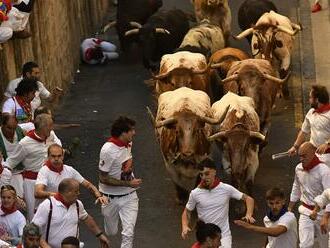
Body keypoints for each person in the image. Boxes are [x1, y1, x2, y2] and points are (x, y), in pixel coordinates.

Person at [181, 158, 255, 248]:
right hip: (206, 237)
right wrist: (185, 226)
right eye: (201, 175)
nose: (204, 177)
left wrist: (248, 214)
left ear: (214, 172)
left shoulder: (226, 189)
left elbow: (249, 199)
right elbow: (187, 211)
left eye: (207, 174)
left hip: (223, 236)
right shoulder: (195, 193)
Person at [4, 113, 60, 221]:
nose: (52, 128)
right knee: (35, 215)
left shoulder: (51, 136)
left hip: (50, 180)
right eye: (50, 126)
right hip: (32, 184)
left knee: (53, 213)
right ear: (43, 128)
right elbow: (10, 162)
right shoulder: (25, 143)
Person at [98, 116, 142, 248]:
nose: (134, 133)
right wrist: (129, 183)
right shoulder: (107, 150)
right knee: (111, 232)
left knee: (128, 233)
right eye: (132, 130)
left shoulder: (128, 144)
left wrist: (129, 180)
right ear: (123, 133)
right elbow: (103, 178)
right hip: (109, 197)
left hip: (129, 197)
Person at [32, 178, 110, 248]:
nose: (78, 193)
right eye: (76, 191)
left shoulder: (77, 204)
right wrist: (45, 246)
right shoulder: (47, 205)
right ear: (66, 192)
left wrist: (100, 235)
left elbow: (87, 219)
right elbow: (33, 229)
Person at [35, 144, 107, 206]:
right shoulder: (44, 171)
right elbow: (38, 193)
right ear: (48, 157)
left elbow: (88, 185)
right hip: (49, 211)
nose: (56, 159)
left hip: (68, 209)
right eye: (53, 156)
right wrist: (60, 196)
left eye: (59, 156)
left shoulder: (69, 170)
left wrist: (98, 196)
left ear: (63, 156)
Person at [288, 142, 330, 248]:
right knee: (305, 245)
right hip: (305, 211)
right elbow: (296, 187)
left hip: (322, 212)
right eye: (300, 156)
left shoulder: (324, 171)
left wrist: (326, 217)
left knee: (324, 245)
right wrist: (289, 208)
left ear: (312, 154)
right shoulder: (298, 168)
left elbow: (329, 195)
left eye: (304, 156)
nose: (301, 159)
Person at [288, 85, 330, 156]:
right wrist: (295, 147)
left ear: (317, 100)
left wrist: (327, 144)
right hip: (313, 154)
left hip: (328, 155)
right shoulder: (311, 112)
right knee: (299, 167)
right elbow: (304, 131)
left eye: (310, 97)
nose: (309, 100)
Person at [0, 115, 25, 197]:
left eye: (14, 128)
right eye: (9, 128)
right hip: (4, 173)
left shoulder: (20, 131)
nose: (12, 131)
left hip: (20, 171)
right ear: (2, 125)